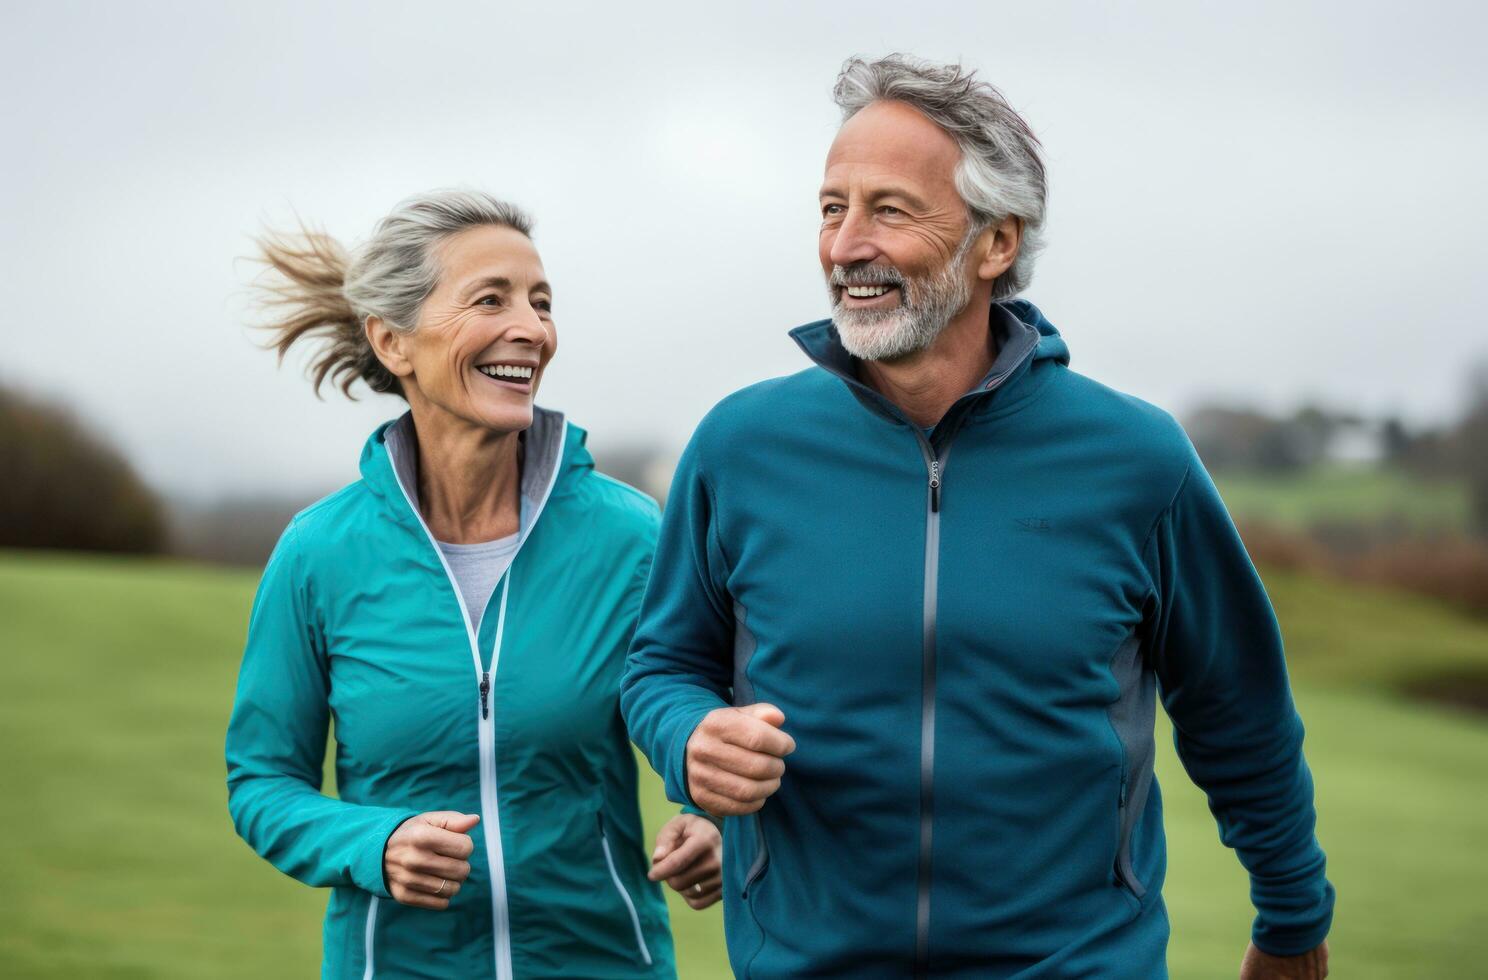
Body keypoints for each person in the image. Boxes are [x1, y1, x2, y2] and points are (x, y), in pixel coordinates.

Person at [621, 56, 1334, 979]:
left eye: (889, 209)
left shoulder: (1137, 460)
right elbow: (664, 664)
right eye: (832, 208)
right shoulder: (740, 447)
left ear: (995, 243)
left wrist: (1290, 916)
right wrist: (691, 740)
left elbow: (1238, 708)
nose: (844, 245)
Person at [225, 189, 720, 979]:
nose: (531, 328)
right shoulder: (319, 553)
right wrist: (371, 845)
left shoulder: (629, 536)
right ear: (393, 342)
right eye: (490, 299)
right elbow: (261, 781)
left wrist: (708, 817)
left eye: (541, 301)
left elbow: (701, 708)